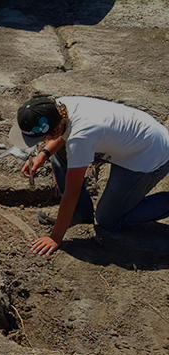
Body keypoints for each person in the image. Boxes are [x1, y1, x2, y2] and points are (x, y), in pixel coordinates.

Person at [9, 96, 169, 255]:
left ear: (54, 130)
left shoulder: (80, 137)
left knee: (108, 220)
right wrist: (43, 154)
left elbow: (72, 192)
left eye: (42, 138)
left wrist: (55, 237)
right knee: (60, 154)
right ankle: (80, 215)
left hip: (149, 154)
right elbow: (64, 135)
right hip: (133, 140)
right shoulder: (59, 108)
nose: (41, 141)